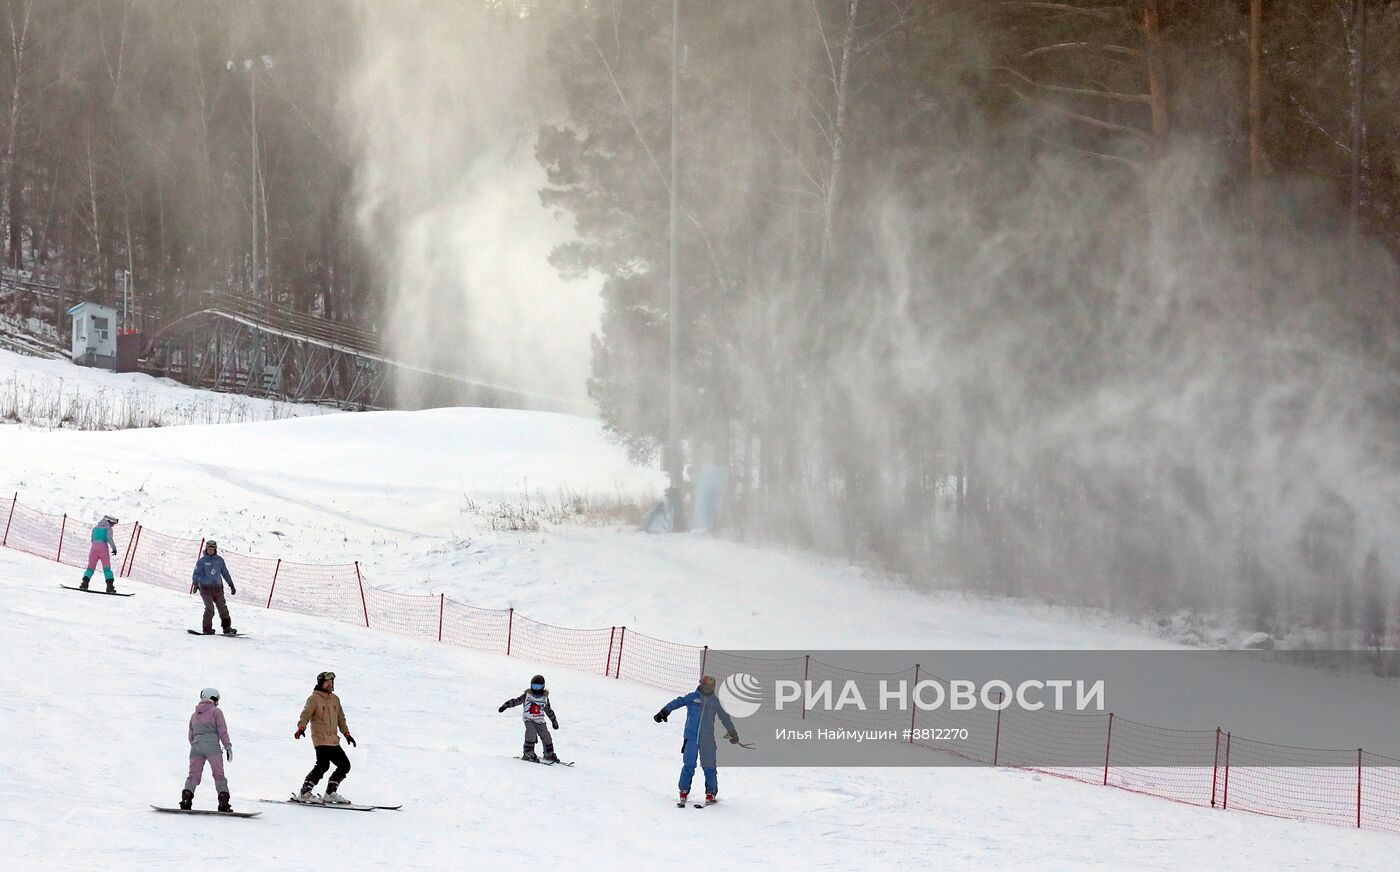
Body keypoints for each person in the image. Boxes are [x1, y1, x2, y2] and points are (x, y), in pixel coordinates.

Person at [654, 675, 740, 804]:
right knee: (689, 765)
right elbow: (677, 702)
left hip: (708, 740)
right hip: (691, 738)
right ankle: (684, 790)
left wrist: (732, 732)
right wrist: (664, 711)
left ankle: (711, 793)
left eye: (710, 687)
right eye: (705, 686)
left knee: (710, 767)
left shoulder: (715, 702)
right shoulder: (692, 697)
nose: (707, 689)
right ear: (701, 685)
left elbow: (725, 718)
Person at [295, 671, 356, 803]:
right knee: (323, 765)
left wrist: (346, 733)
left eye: (332, 682)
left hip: (333, 740)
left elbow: (341, 719)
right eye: (327, 682)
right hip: (320, 738)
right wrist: (301, 727)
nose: (330, 685)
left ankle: (330, 792)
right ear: (321, 683)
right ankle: (305, 792)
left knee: (344, 765)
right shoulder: (314, 699)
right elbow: (305, 715)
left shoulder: (335, 699)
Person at [181, 687, 234, 813]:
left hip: (196, 746)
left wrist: (197, 745)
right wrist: (228, 746)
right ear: (212, 698)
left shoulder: (194, 715)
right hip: (212, 747)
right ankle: (223, 803)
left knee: (193, 775)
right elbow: (222, 731)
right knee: (219, 775)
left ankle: (186, 800)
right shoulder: (216, 712)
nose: (217, 702)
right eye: (216, 699)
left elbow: (190, 736)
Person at [498, 674, 560, 763]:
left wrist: (554, 721)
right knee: (531, 733)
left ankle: (549, 753)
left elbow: (548, 710)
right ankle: (528, 752)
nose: (536, 689)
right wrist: (505, 705)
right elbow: (516, 701)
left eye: (539, 687)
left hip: (540, 721)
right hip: (529, 719)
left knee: (546, 736)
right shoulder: (527, 695)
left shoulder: (544, 698)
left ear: (543, 687)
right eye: (534, 686)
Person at [190, 539, 237, 636]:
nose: (210, 550)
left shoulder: (219, 560)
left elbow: (225, 573)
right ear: (206, 549)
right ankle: (207, 629)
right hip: (205, 589)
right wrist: (195, 584)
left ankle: (227, 628)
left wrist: (231, 585)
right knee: (209, 608)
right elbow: (196, 573)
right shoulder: (202, 561)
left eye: (212, 549)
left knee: (222, 608)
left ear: (215, 549)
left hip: (218, 588)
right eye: (208, 549)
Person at [79, 515, 119, 593]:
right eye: (113, 523)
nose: (113, 525)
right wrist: (114, 549)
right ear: (109, 521)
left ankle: (84, 584)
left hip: (93, 549)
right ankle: (110, 587)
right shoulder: (108, 529)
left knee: (90, 568)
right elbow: (109, 539)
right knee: (107, 569)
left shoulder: (95, 528)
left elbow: (92, 539)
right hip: (103, 549)